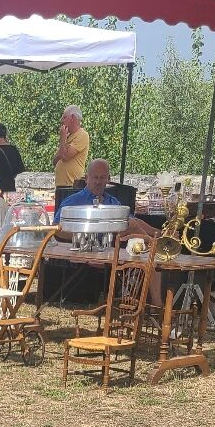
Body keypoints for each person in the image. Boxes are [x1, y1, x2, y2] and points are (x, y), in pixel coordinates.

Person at [57, 158, 162, 302]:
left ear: (108, 179)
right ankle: (154, 246)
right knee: (138, 236)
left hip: (113, 250)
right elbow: (56, 228)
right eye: (95, 177)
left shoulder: (112, 201)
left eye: (102, 178)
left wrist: (159, 232)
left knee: (151, 259)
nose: (98, 182)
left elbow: (134, 222)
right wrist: (85, 236)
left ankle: (157, 306)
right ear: (87, 178)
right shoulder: (74, 201)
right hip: (85, 250)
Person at [53, 105, 90, 207]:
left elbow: (64, 157)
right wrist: (63, 147)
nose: (62, 121)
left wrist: (62, 139)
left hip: (72, 186)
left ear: (72, 117)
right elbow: (54, 161)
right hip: (61, 186)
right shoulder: (68, 137)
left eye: (64, 117)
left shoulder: (82, 135)